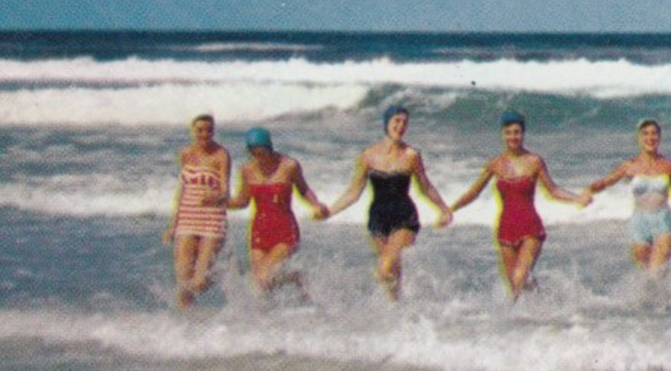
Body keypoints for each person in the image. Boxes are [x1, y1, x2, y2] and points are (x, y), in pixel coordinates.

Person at [450, 110, 590, 300]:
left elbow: (553, 190)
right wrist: (450, 209)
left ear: (523, 134)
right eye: (509, 133)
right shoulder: (495, 164)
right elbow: (473, 192)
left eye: (516, 132)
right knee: (515, 291)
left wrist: (577, 199)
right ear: (503, 135)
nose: (513, 137)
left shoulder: (534, 161)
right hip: (506, 230)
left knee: (519, 278)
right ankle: (539, 306)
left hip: (530, 228)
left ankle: (542, 303)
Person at [326, 105, 454, 300]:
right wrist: (329, 211)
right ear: (387, 123)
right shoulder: (367, 156)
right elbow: (353, 192)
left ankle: (399, 305)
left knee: (384, 269)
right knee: (391, 272)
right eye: (397, 121)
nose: (401, 126)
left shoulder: (411, 155)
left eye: (405, 123)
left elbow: (426, 187)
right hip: (377, 219)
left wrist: (444, 209)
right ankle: (397, 309)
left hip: (405, 218)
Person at [586, 119, 671, 275]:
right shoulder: (630, 165)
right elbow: (607, 181)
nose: (650, 138)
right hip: (639, 224)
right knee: (646, 277)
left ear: (659, 137)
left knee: (655, 274)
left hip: (664, 222)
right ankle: (669, 295)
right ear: (640, 138)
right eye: (646, 134)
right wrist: (591, 189)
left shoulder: (669, 165)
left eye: (654, 134)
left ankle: (666, 295)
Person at [225, 126, 328, 296]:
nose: (259, 158)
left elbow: (303, 190)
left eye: (262, 153)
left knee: (264, 277)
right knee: (260, 284)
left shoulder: (289, 166)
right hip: (260, 230)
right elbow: (243, 201)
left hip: (284, 228)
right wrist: (221, 202)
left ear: (269, 148)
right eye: (254, 154)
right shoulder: (247, 170)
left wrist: (316, 204)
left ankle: (294, 278)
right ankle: (288, 284)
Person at [163, 113, 231, 308]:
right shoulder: (185, 153)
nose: (204, 134)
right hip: (187, 218)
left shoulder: (221, 155)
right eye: (200, 130)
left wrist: (216, 197)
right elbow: (181, 190)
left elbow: (226, 192)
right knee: (183, 285)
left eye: (209, 130)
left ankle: (217, 273)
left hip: (212, 219)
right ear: (193, 131)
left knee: (199, 283)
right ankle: (185, 330)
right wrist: (172, 226)